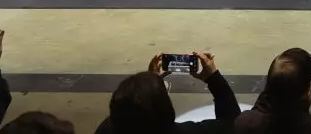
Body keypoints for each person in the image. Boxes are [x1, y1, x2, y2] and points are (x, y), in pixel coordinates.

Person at [96, 52, 239, 134]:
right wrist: (213, 78)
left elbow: (127, 111)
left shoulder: (106, 130)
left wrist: (150, 81)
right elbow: (232, 124)